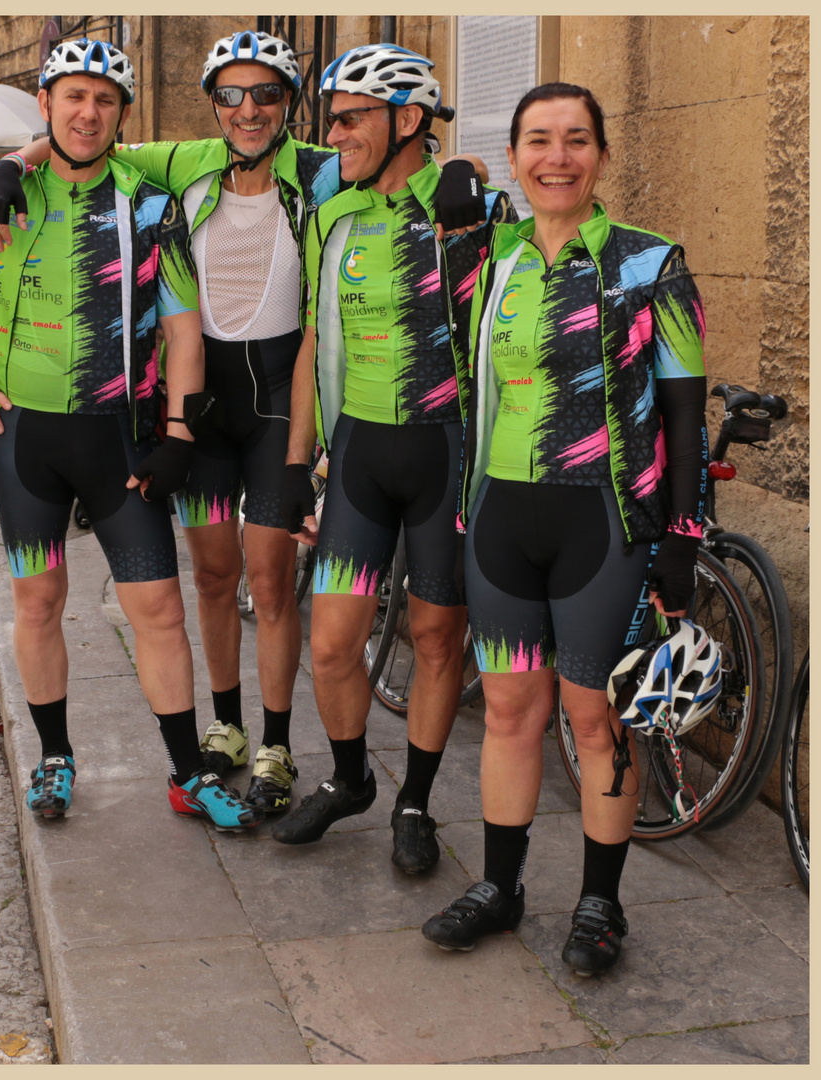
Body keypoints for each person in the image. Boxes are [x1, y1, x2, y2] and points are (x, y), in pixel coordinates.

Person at [0, 32, 492, 816]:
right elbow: (78, 139)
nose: (247, 111)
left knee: (271, 580)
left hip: (275, 395)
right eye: (230, 95)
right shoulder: (180, 161)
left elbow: (419, 162)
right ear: (211, 103)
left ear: (288, 106)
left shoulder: (324, 167)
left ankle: (279, 741)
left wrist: (463, 165)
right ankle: (224, 730)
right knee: (212, 577)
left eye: (266, 96)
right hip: (200, 400)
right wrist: (9, 166)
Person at [0, 38, 260, 831]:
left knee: (160, 611)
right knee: (37, 603)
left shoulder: (147, 200)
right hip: (22, 441)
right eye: (72, 96)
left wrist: (177, 432)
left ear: (122, 115)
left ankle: (183, 773)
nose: (87, 112)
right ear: (45, 104)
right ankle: (55, 758)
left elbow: (182, 330)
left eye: (104, 100)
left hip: (120, 439)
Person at [421, 84, 709, 975]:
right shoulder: (487, 262)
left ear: (601, 157)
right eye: (537, 141)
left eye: (576, 140)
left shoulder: (650, 263)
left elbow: (685, 412)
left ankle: (598, 904)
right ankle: (500, 889)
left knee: (595, 718)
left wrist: (682, 536)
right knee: (507, 710)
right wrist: (456, 175)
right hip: (501, 518)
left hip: (605, 520)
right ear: (513, 157)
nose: (557, 157)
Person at [280, 45, 515, 872]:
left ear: (406, 119)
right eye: (332, 119)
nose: (335, 134)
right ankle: (350, 781)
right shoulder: (330, 216)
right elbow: (312, 338)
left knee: (435, 636)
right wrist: (292, 463)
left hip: (446, 454)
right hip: (357, 455)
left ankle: (413, 801)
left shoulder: (469, 207)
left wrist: (473, 180)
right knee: (333, 641)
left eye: (350, 119)